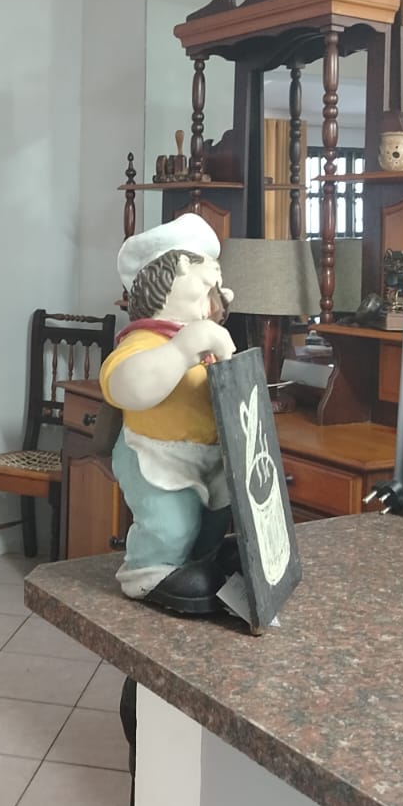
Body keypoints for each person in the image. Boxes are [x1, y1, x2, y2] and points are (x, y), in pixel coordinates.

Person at [100, 213, 237, 613]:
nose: (216, 291)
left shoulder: (203, 341)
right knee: (172, 523)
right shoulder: (145, 341)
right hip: (156, 454)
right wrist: (181, 350)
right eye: (207, 279)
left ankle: (198, 566)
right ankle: (149, 572)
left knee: (214, 517)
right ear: (178, 269)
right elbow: (125, 386)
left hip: (208, 456)